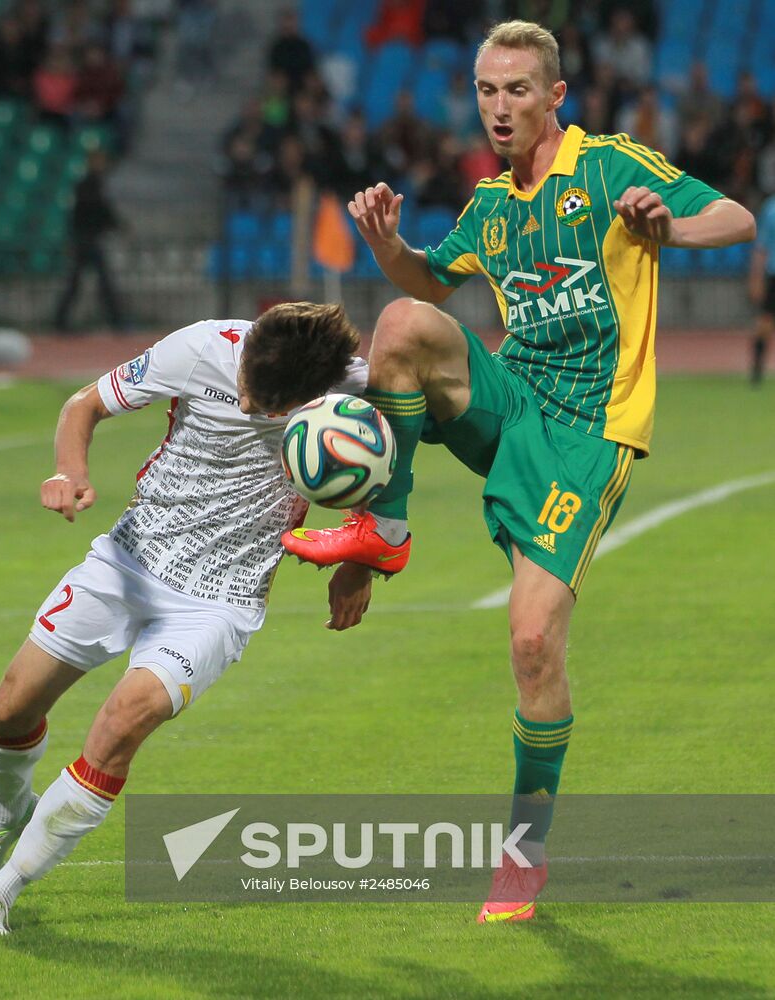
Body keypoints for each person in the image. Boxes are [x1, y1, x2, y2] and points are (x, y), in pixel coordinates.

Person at [282, 19, 755, 923]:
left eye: (517, 92)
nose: (499, 109)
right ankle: (385, 526)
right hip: (513, 403)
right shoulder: (490, 205)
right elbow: (431, 287)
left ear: (554, 98)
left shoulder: (610, 166)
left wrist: (670, 225)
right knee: (397, 327)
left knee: (534, 644)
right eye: (487, 92)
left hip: (589, 432)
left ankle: (522, 856)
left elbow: (737, 217)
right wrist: (385, 244)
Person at [0, 301, 371, 935]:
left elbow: (397, 463)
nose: (249, 407)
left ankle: (4, 889)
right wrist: (69, 471)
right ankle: (8, 810)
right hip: (129, 561)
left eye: (266, 406)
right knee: (11, 708)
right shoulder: (202, 347)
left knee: (124, 721)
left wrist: (361, 561)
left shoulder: (351, 393)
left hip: (221, 599)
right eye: (245, 391)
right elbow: (82, 405)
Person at [54, 149, 124, 332]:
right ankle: (116, 321)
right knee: (95, 282)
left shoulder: (92, 184)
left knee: (86, 282)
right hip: (87, 239)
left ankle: (62, 320)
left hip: (87, 238)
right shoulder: (88, 184)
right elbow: (98, 210)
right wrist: (116, 225)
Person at [749, 192, 775, 384]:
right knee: (764, 322)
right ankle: (757, 369)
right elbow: (761, 247)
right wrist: (756, 278)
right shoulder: (770, 209)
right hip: (773, 274)